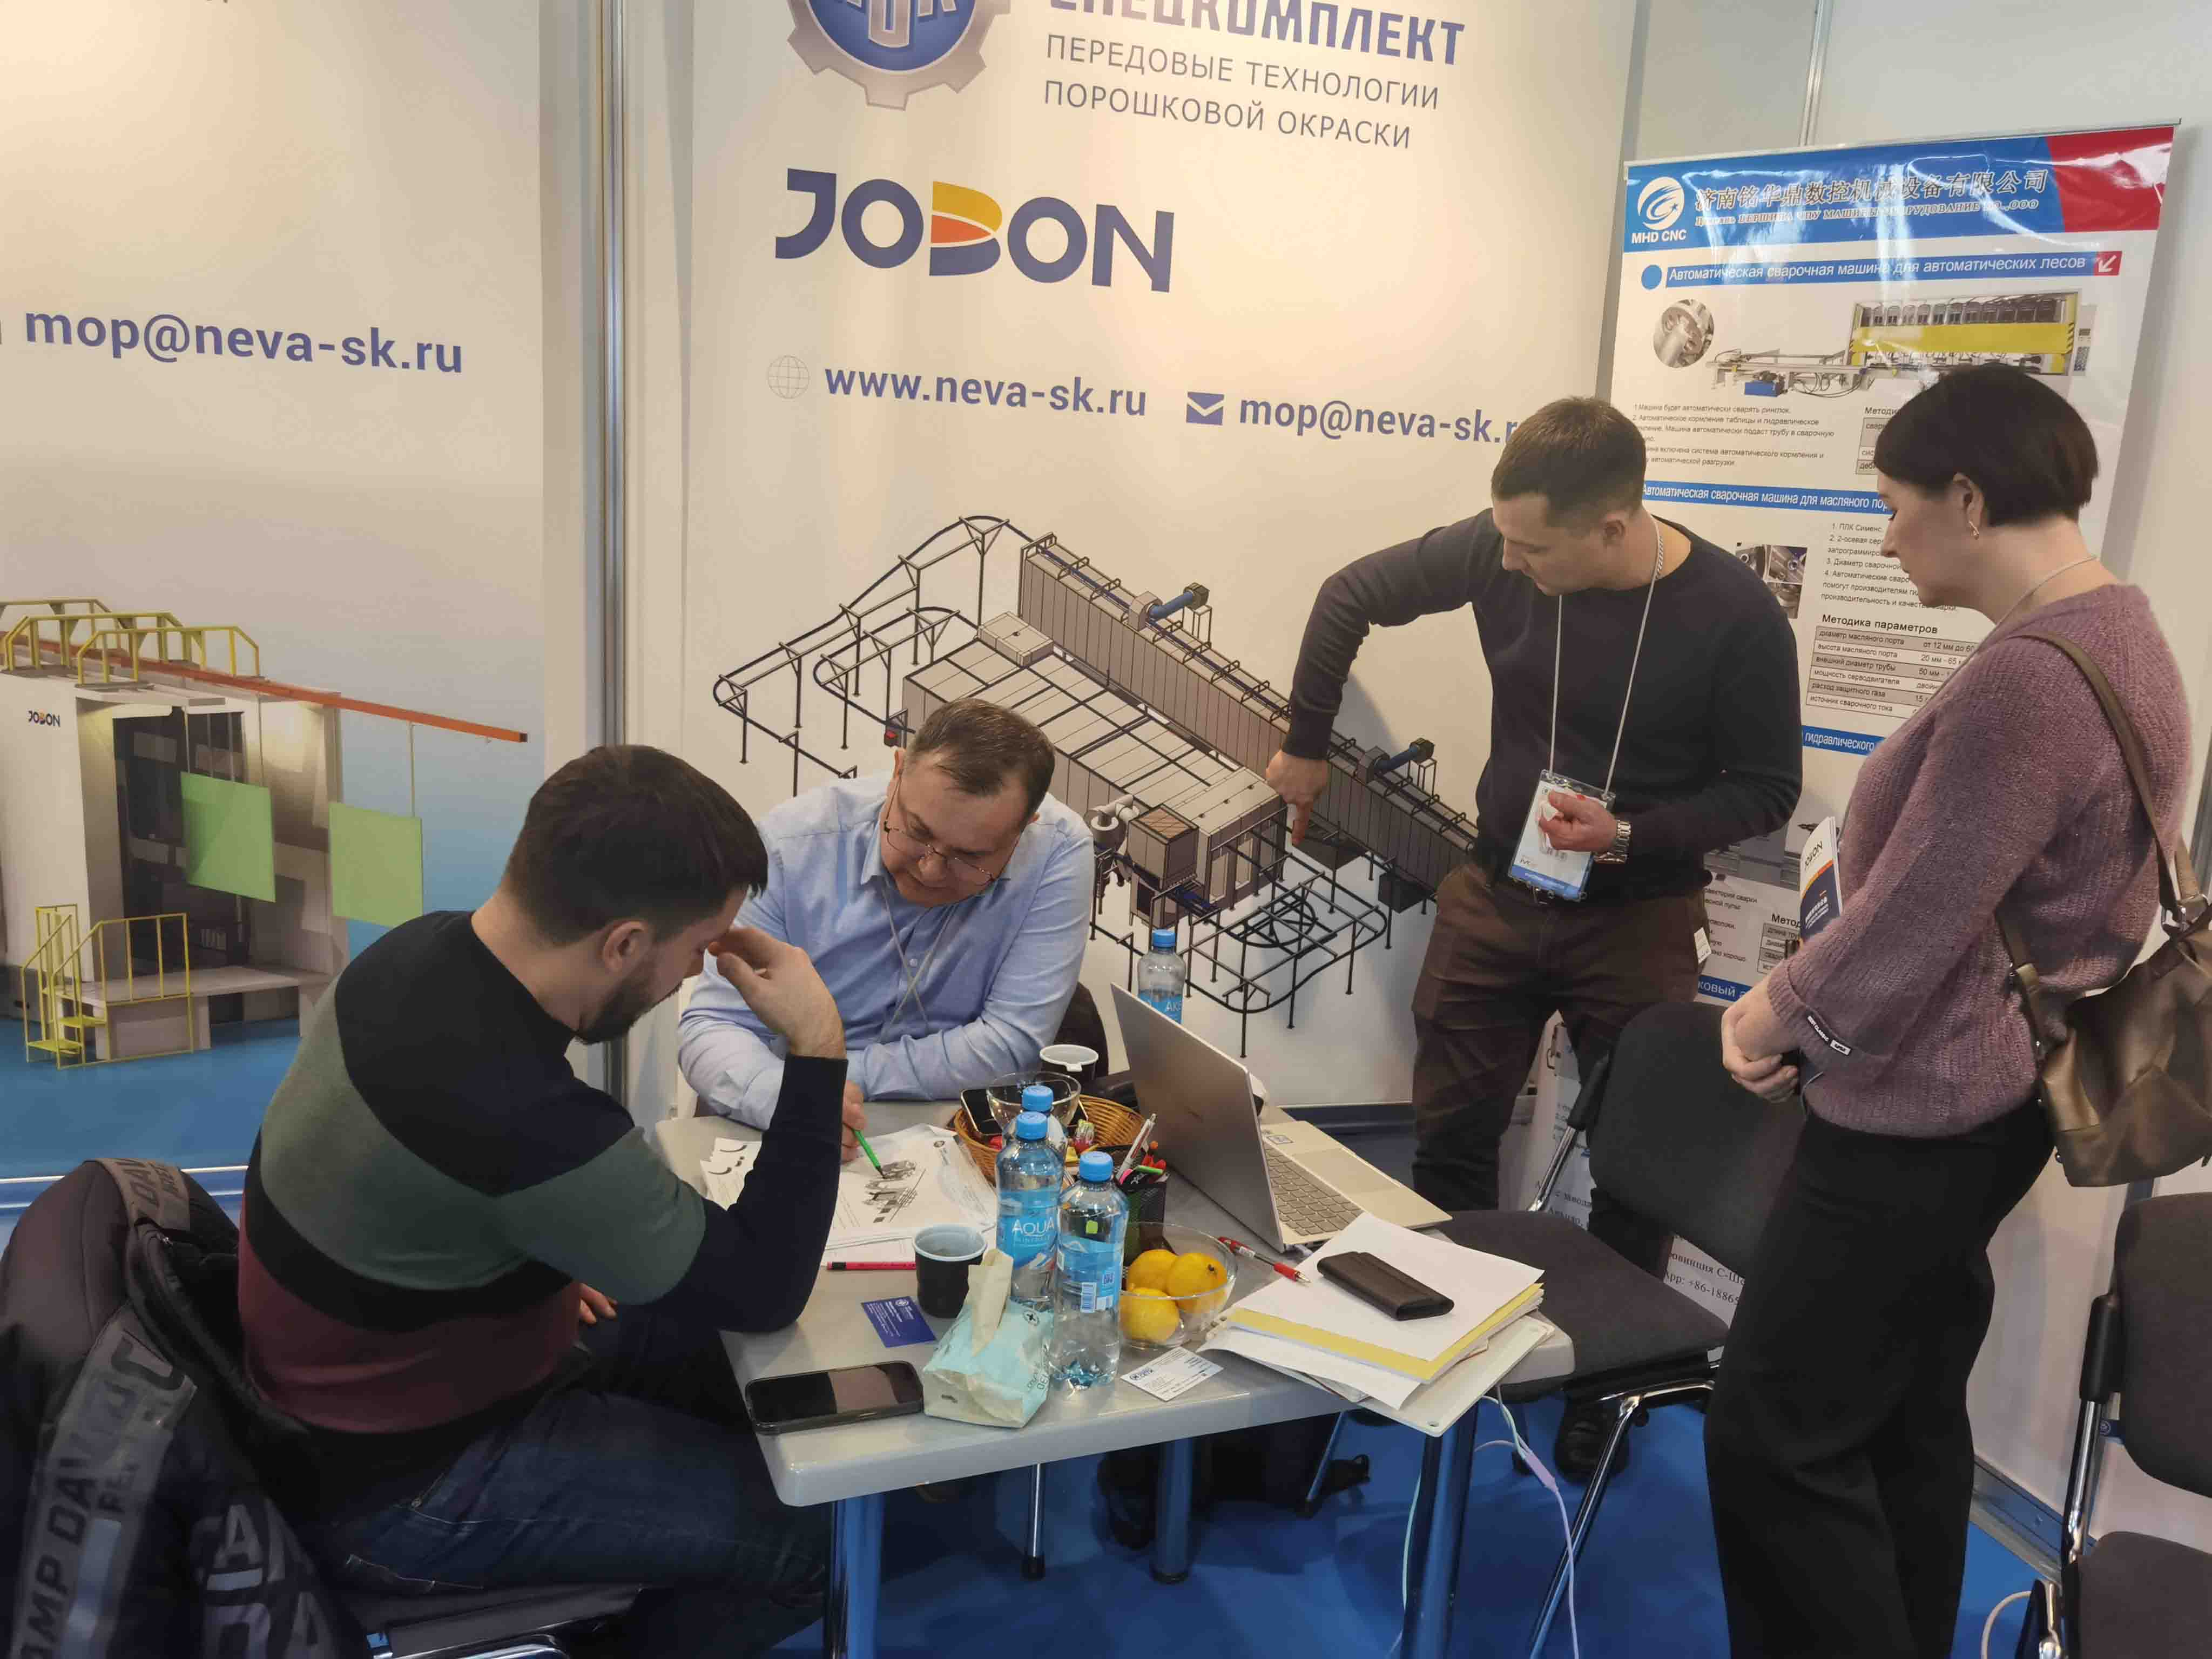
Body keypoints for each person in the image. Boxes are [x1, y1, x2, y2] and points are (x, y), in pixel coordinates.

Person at [1710, 365, 2189, 1658]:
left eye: (1893, 505)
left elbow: (1915, 914)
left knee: (1776, 1431)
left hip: (1922, 1112)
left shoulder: (2028, 680)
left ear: (1966, 499)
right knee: (1899, 1415)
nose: (1885, 537)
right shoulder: (2120, 633)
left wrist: (1772, 1015)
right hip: (1999, 1095)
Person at [1266, 396, 1800, 1477]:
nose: (1505, 562)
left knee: (1635, 1166)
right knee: (1451, 1135)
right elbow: (1348, 594)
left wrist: (1629, 832)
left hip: (1638, 915)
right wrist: (1305, 743)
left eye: (1530, 548)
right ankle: (1434, 1340)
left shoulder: (1734, 616)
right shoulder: (1501, 544)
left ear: (1611, 527)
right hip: (1496, 894)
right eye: (1501, 539)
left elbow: (1765, 789)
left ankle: (1605, 1383)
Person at [238, 745, 850, 1657]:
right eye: (696, 949)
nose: (695, 974)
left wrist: (539, 1255)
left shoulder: (416, 951)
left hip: (345, 1390)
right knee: (817, 1539)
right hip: (394, 1488)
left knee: (734, 1374)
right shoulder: (520, 1114)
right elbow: (766, 1285)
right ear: (624, 944)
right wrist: (817, 1043)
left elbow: (433, 1186)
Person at [681, 696, 1092, 1142]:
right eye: (917, 832)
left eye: (969, 857)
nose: (930, 871)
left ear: (1024, 829)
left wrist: (823, 1076)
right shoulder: (791, 846)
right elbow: (715, 1025)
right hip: (784, 1119)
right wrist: (790, 1099)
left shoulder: (1056, 849)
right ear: (898, 772)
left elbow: (1010, 1043)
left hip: (954, 1130)